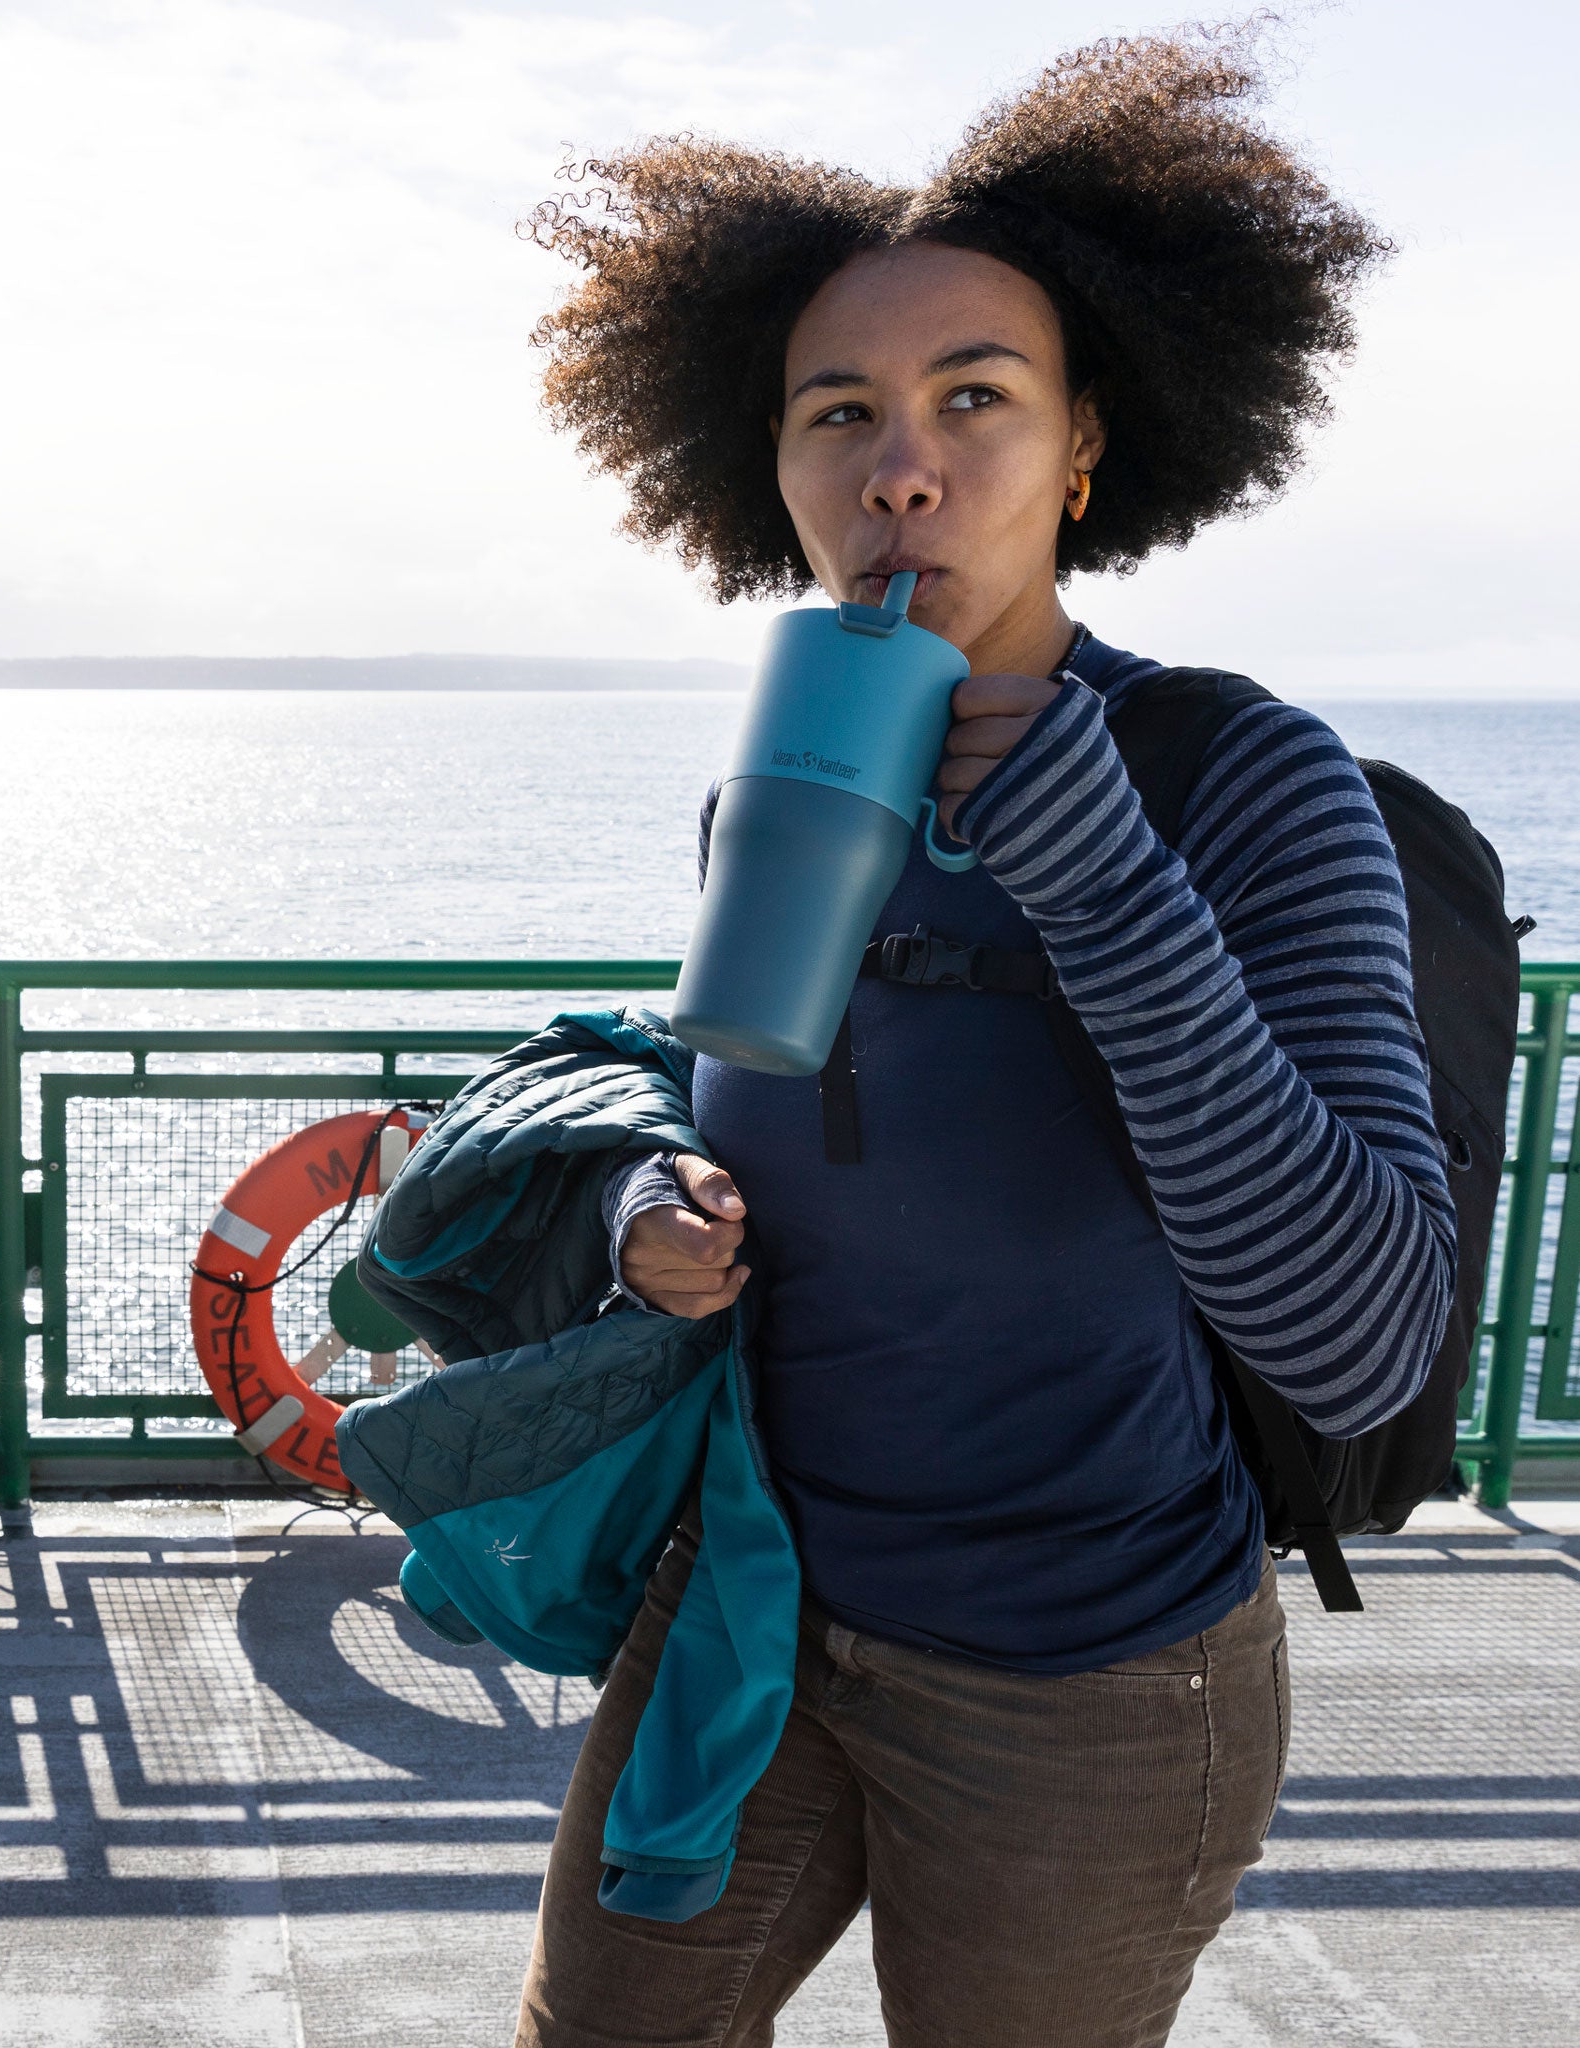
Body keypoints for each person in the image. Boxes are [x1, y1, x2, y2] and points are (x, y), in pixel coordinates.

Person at [513, 29, 1456, 2048]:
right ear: (762, 470)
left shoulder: (1242, 778)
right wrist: (641, 1210)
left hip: (1092, 1675)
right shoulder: (766, 787)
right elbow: (755, 1144)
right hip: (751, 1593)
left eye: (972, 398)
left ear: (1085, 448)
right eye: (834, 411)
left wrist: (1095, 861)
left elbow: (1364, 1326)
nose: (899, 461)